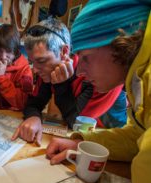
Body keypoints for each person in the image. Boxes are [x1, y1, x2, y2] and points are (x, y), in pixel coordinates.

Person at [45, 1, 151, 183]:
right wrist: (81, 143)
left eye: (85, 57)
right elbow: (137, 136)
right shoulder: (137, 79)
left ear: (120, 42)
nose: (80, 72)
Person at [11, 17, 127, 145]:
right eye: (32, 62)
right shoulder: (48, 70)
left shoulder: (95, 74)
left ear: (64, 51)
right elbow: (34, 102)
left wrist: (61, 85)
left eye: (41, 61)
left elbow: (77, 123)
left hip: (110, 138)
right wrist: (33, 117)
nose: (35, 70)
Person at [0, 24, 33, 111]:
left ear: (15, 51)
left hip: (14, 119)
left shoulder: (25, 70)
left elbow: (24, 102)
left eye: (8, 51)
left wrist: (1, 78)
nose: (3, 57)